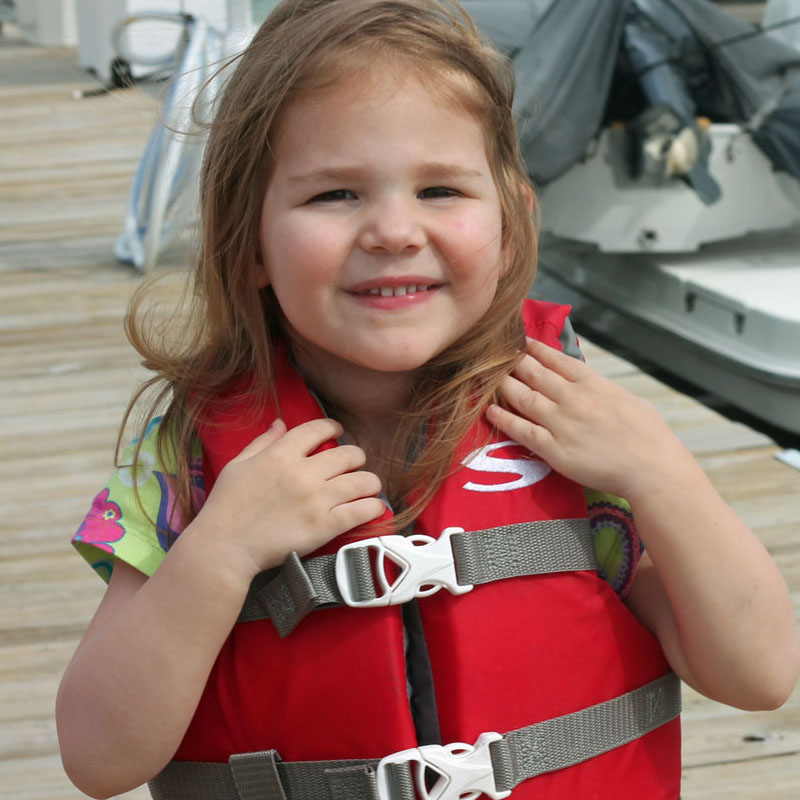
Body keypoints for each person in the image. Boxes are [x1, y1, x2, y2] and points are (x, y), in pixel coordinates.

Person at [56, 1, 800, 798]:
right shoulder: (191, 469)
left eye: (440, 189)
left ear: (513, 223)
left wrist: (662, 473)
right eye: (336, 195)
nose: (394, 231)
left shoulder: (579, 441)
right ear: (248, 244)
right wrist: (221, 552)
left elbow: (759, 675)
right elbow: (100, 758)